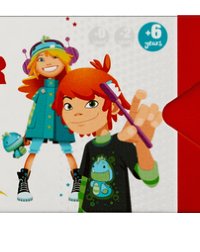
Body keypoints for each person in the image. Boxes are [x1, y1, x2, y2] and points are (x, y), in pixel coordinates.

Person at [52, 54, 162, 212]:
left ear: (114, 107)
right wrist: (80, 210)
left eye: (91, 104)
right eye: (68, 106)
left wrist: (141, 146)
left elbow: (151, 180)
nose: (77, 113)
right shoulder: (89, 147)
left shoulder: (122, 143)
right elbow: (83, 181)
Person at [16, 36, 80, 202]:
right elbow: (34, 113)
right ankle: (23, 183)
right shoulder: (41, 92)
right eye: (41, 59)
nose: (48, 63)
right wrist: (28, 133)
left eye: (55, 57)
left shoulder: (65, 89)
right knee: (33, 152)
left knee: (68, 152)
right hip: (40, 126)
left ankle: (77, 183)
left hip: (61, 125)